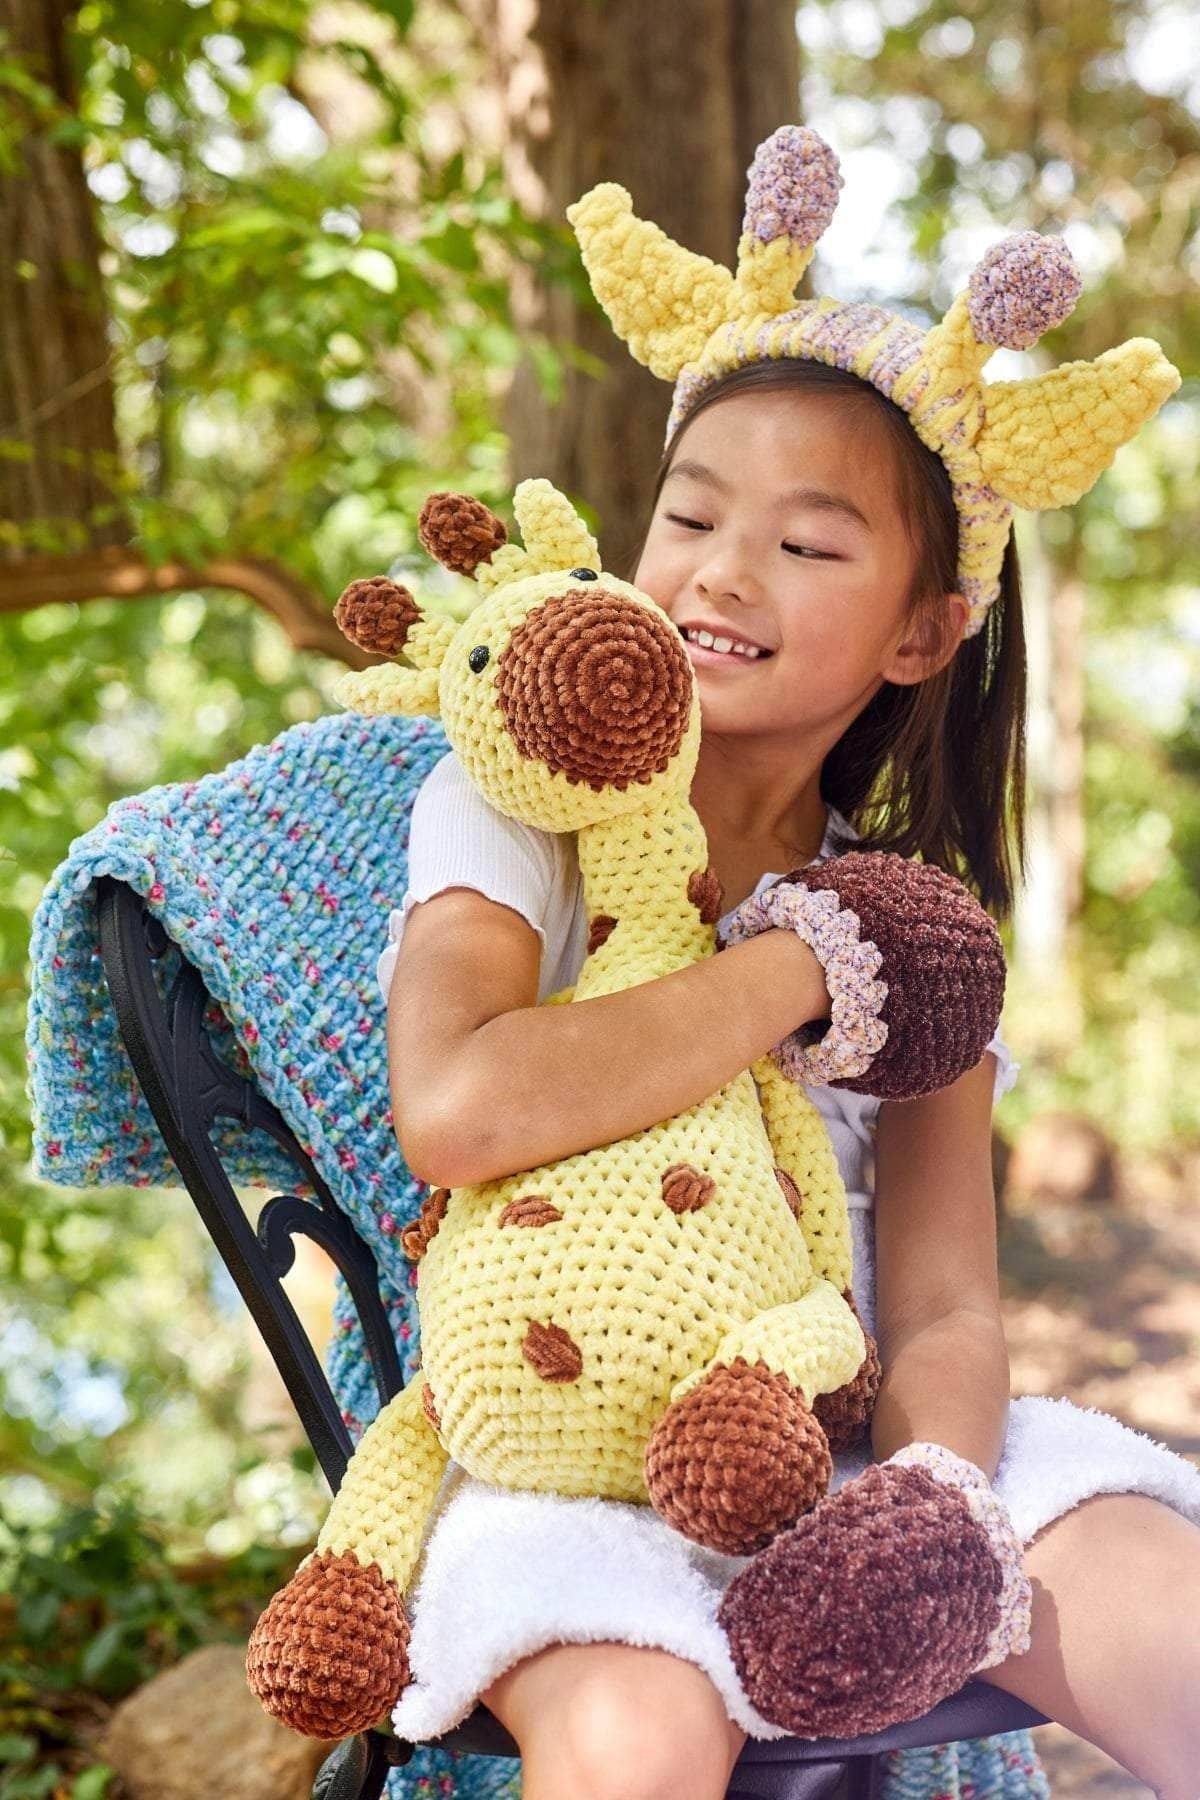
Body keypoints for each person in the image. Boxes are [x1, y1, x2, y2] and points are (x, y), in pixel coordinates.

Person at [377, 128, 1200, 1800]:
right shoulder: (520, 812)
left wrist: (929, 1504)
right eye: (690, 513)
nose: (722, 568)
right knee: (637, 1735)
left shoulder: (923, 925)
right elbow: (457, 1109)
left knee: (1165, 1615)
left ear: (922, 631)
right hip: (569, 1455)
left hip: (850, 1434)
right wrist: (792, 973)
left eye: (809, 546)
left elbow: (949, 1300)